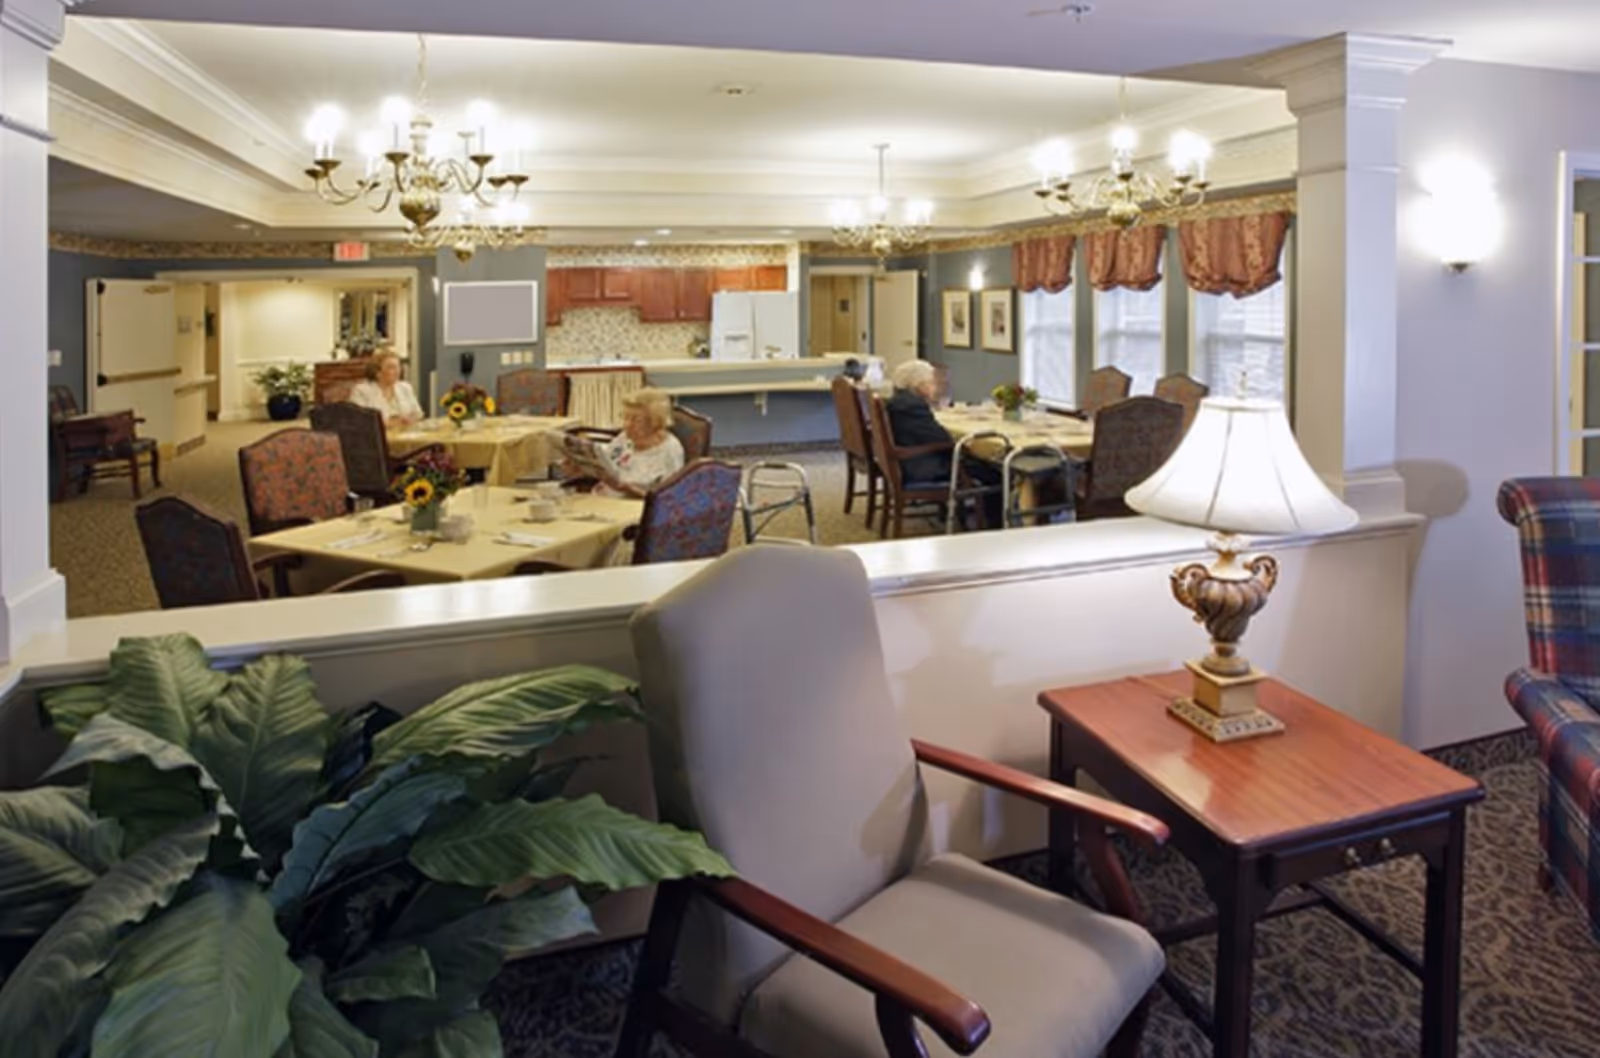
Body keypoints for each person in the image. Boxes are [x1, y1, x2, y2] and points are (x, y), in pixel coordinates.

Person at [886, 360, 1002, 529]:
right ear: (918, 385)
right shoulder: (912, 406)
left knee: (978, 461)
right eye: (931, 382)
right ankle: (995, 526)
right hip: (923, 466)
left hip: (908, 461)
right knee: (994, 472)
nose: (934, 387)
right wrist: (964, 447)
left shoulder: (900, 401)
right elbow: (942, 440)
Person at [585, 388, 685, 498]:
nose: (627, 425)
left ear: (655, 422)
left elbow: (669, 497)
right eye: (625, 417)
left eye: (636, 420)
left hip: (635, 504)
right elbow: (605, 464)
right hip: (603, 497)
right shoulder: (624, 438)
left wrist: (632, 490)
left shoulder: (670, 450)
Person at [349, 350, 423, 426]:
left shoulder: (405, 387)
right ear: (377, 372)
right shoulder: (362, 391)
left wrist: (411, 419)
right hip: (377, 433)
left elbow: (418, 413)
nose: (397, 371)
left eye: (398, 366)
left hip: (407, 432)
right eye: (391, 367)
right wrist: (392, 423)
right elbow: (359, 420)